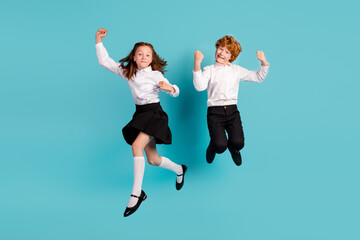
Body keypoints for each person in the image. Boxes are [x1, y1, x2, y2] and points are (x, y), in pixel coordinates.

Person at [95, 28, 187, 217]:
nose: (144, 56)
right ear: (134, 57)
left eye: (148, 54)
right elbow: (105, 62)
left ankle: (137, 193)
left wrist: (168, 87)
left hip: (155, 114)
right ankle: (180, 169)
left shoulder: (156, 75)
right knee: (153, 160)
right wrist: (98, 41)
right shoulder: (128, 72)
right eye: (140, 54)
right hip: (141, 114)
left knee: (136, 147)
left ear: (152, 58)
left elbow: (175, 91)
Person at [193, 35, 269, 166]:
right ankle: (213, 144)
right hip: (214, 112)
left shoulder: (236, 70)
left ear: (231, 57)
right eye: (220, 49)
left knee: (238, 143)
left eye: (227, 52)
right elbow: (200, 87)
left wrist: (263, 62)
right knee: (220, 147)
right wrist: (197, 63)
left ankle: (233, 149)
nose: (222, 53)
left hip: (232, 111)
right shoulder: (209, 70)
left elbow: (258, 77)